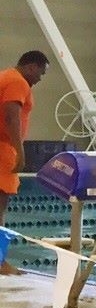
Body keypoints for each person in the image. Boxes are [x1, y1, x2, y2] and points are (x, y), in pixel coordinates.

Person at [0, 49, 49, 240]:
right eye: (41, 73)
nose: (40, 79)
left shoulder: (5, 76)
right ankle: (0, 260)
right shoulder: (17, 82)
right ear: (31, 67)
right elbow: (11, 118)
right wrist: (20, 153)